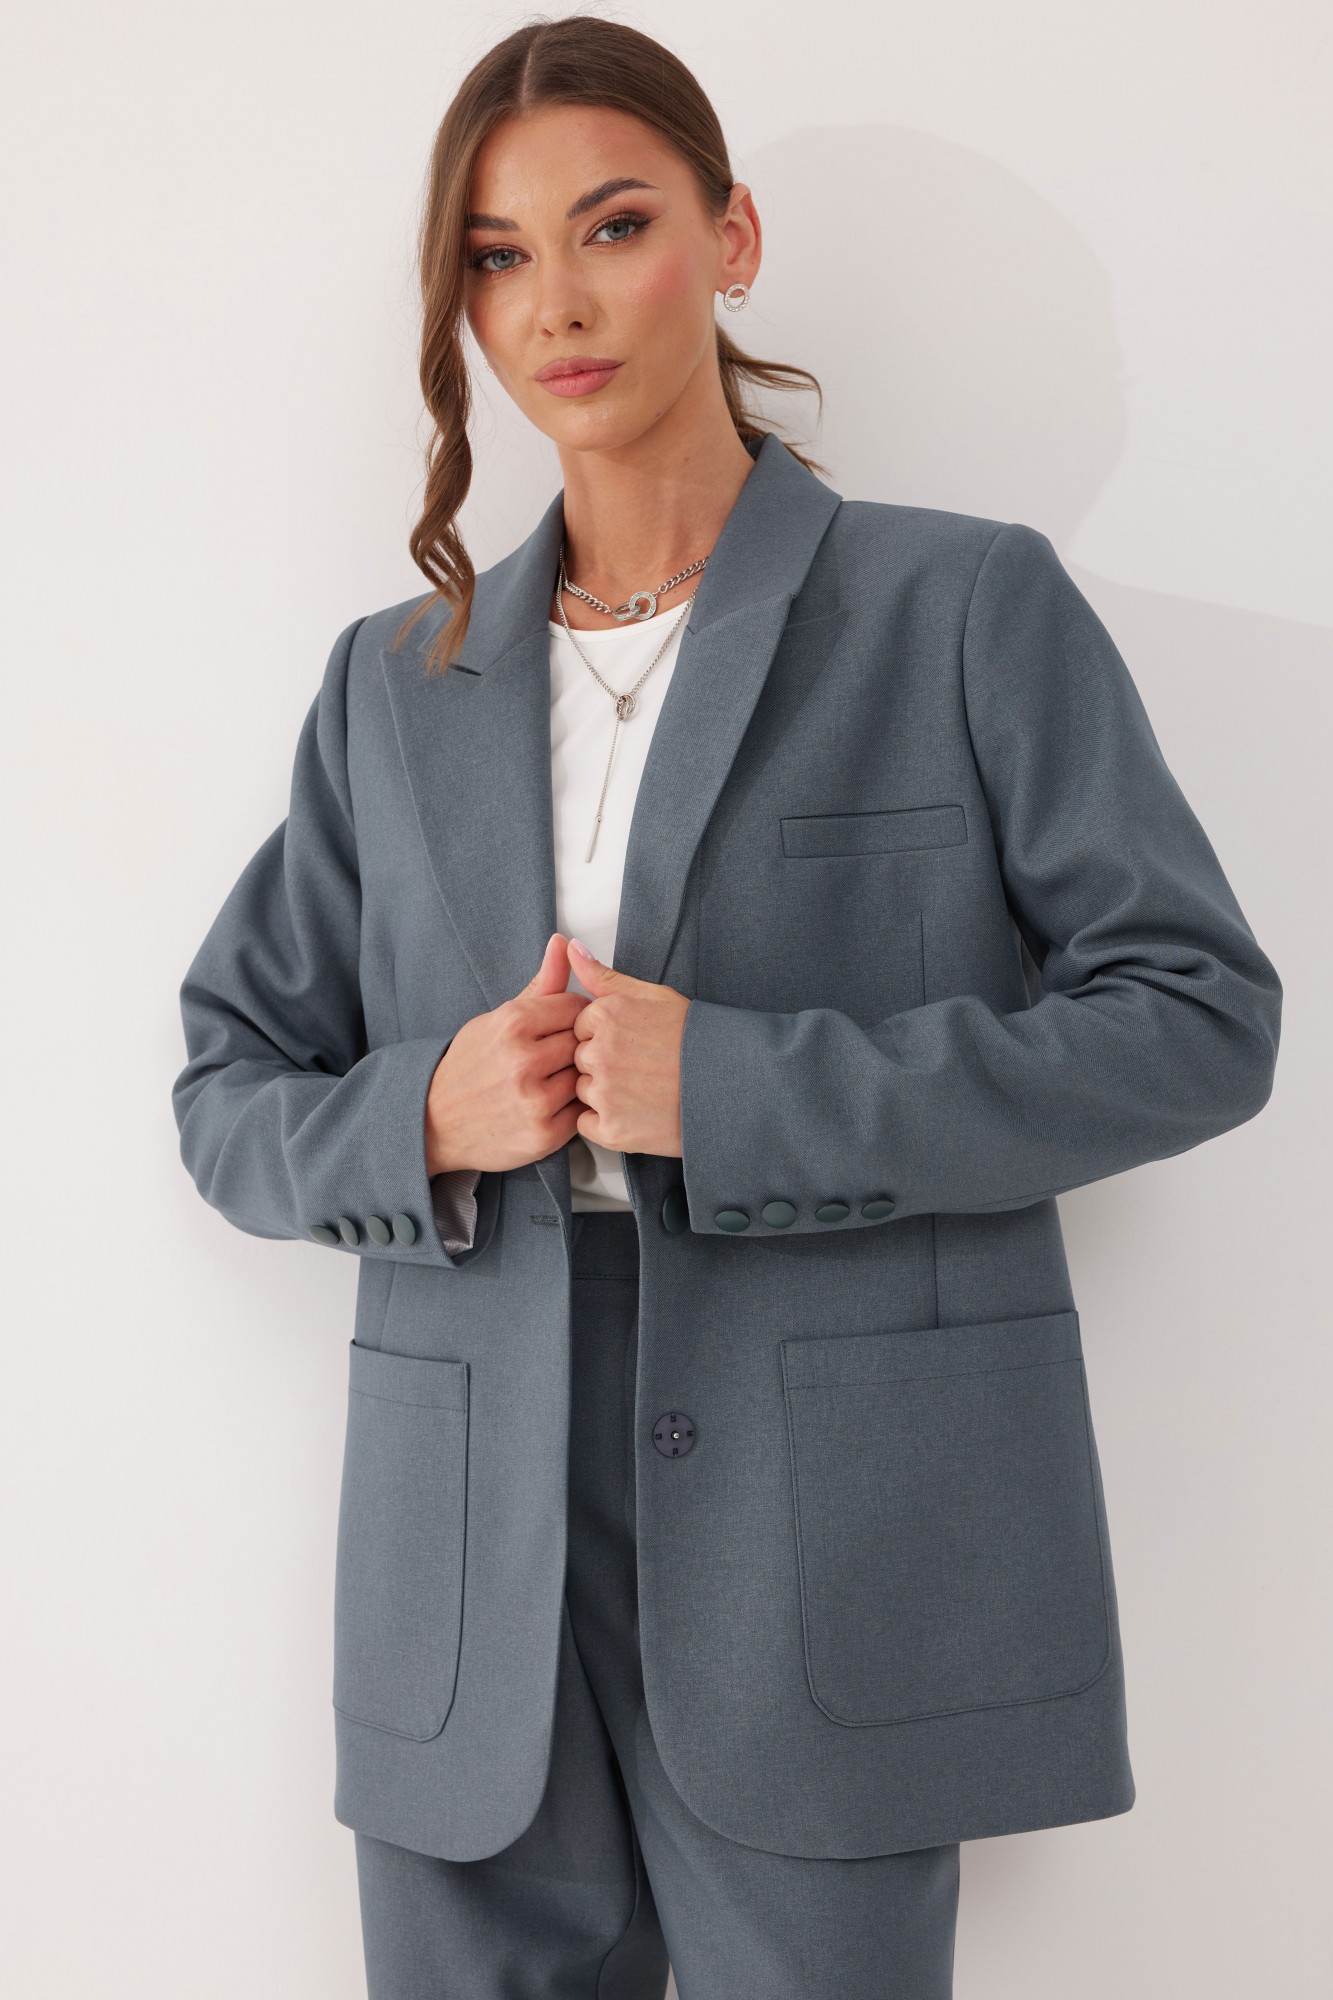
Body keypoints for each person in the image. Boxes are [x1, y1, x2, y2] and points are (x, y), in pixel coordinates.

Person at [171, 16, 1283, 1998]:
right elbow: (225, 1091)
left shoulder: (959, 608)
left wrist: (746, 1089)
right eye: (495, 257)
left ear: (731, 236)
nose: (556, 301)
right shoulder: (390, 684)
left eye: (612, 226)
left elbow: (1195, 1015)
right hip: (465, 1558)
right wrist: (423, 1113)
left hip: (827, 1529)